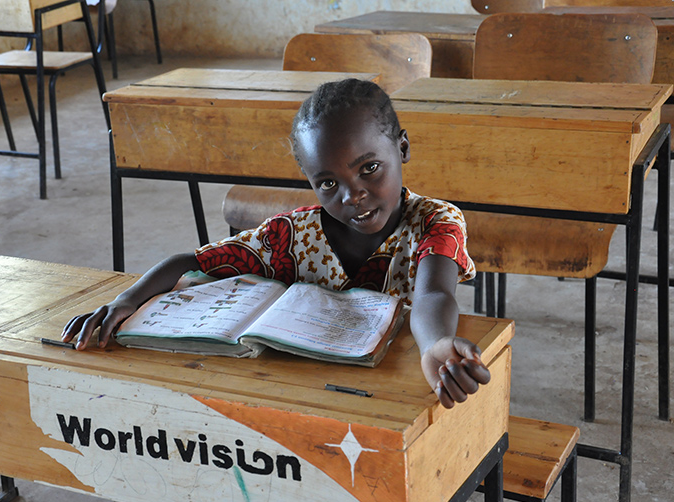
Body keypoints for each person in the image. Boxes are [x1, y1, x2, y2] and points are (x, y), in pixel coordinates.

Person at [62, 78, 490, 409]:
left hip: (388, 395)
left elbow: (434, 291)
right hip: (302, 396)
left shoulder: (434, 221)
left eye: (370, 168)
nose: (352, 195)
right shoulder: (290, 236)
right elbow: (187, 262)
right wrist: (127, 299)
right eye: (327, 182)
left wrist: (435, 344)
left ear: (403, 148)